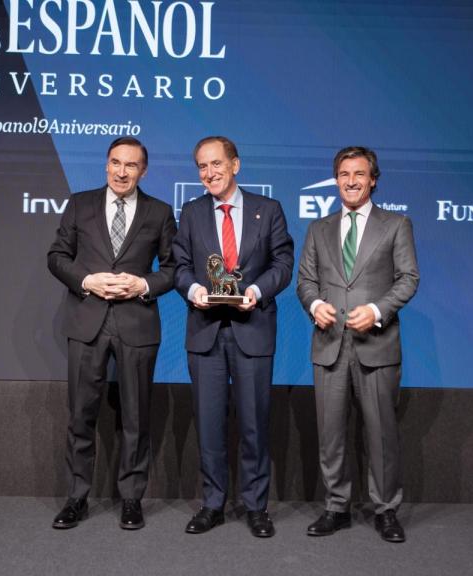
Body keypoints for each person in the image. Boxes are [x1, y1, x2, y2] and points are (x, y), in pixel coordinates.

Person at [47, 137, 177, 530]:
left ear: (143, 171)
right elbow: (56, 256)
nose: (122, 172)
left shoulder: (160, 212)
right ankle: (76, 497)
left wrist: (143, 285)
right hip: (87, 322)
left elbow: (173, 268)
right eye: (115, 163)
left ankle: (132, 498)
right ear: (106, 165)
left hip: (137, 324)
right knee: (81, 415)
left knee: (136, 417)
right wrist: (86, 279)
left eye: (131, 165)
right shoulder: (80, 204)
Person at [172, 136, 294, 538]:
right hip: (205, 332)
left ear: (235, 165)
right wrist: (194, 291)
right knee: (209, 425)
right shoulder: (190, 213)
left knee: (255, 423)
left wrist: (256, 292)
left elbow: (283, 263)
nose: (209, 173)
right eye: (202, 167)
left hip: (252, 329)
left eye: (216, 164)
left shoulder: (268, 209)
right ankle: (212, 504)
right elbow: (179, 265)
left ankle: (256, 507)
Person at [296, 146, 419, 543]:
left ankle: (385, 510)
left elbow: (408, 279)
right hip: (330, 344)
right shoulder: (318, 228)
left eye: (359, 174)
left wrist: (377, 311)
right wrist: (315, 305)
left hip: (377, 344)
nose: (351, 181)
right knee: (331, 433)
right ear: (336, 179)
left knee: (382, 434)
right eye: (344, 174)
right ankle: (337, 507)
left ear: (373, 180)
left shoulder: (396, 224)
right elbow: (305, 281)